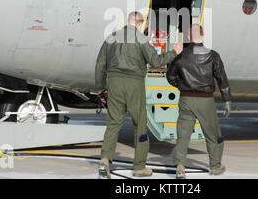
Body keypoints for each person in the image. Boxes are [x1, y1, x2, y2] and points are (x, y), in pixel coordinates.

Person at [95, 11, 183, 179]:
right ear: (140, 24)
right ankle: (139, 167)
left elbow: (100, 64)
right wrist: (174, 52)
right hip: (134, 83)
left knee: (113, 124)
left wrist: (101, 88)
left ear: (127, 22)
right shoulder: (141, 39)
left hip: (114, 82)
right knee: (140, 125)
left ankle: (105, 160)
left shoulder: (111, 38)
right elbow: (156, 62)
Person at [166, 24, 231, 179]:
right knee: (213, 134)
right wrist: (227, 100)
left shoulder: (180, 57)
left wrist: (182, 86)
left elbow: (170, 76)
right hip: (206, 100)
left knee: (183, 134)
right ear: (202, 35)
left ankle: (180, 166)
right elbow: (222, 78)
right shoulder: (213, 55)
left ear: (189, 37)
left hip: (186, 99)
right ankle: (215, 166)